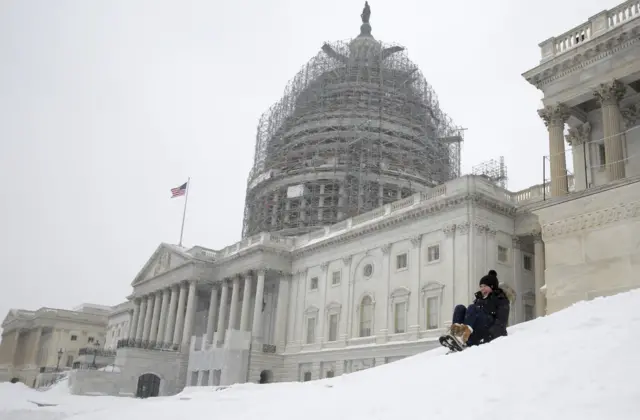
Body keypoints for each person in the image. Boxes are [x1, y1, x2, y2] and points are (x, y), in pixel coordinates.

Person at [449, 270, 510, 347]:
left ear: (492, 287)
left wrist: (489, 336)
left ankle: (463, 336)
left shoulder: (501, 299)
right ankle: (456, 335)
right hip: (474, 331)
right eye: (481, 286)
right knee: (459, 308)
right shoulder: (478, 300)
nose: (482, 289)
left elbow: (501, 322)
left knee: (472, 307)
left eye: (485, 286)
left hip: (486, 332)